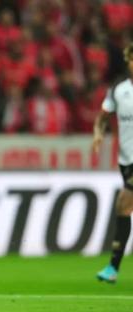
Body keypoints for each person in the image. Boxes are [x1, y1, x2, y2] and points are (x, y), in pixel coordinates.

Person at [92, 43, 133, 284]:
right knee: (123, 208)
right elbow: (103, 117)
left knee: (123, 204)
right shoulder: (118, 89)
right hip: (126, 160)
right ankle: (113, 268)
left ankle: (112, 268)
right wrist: (98, 133)